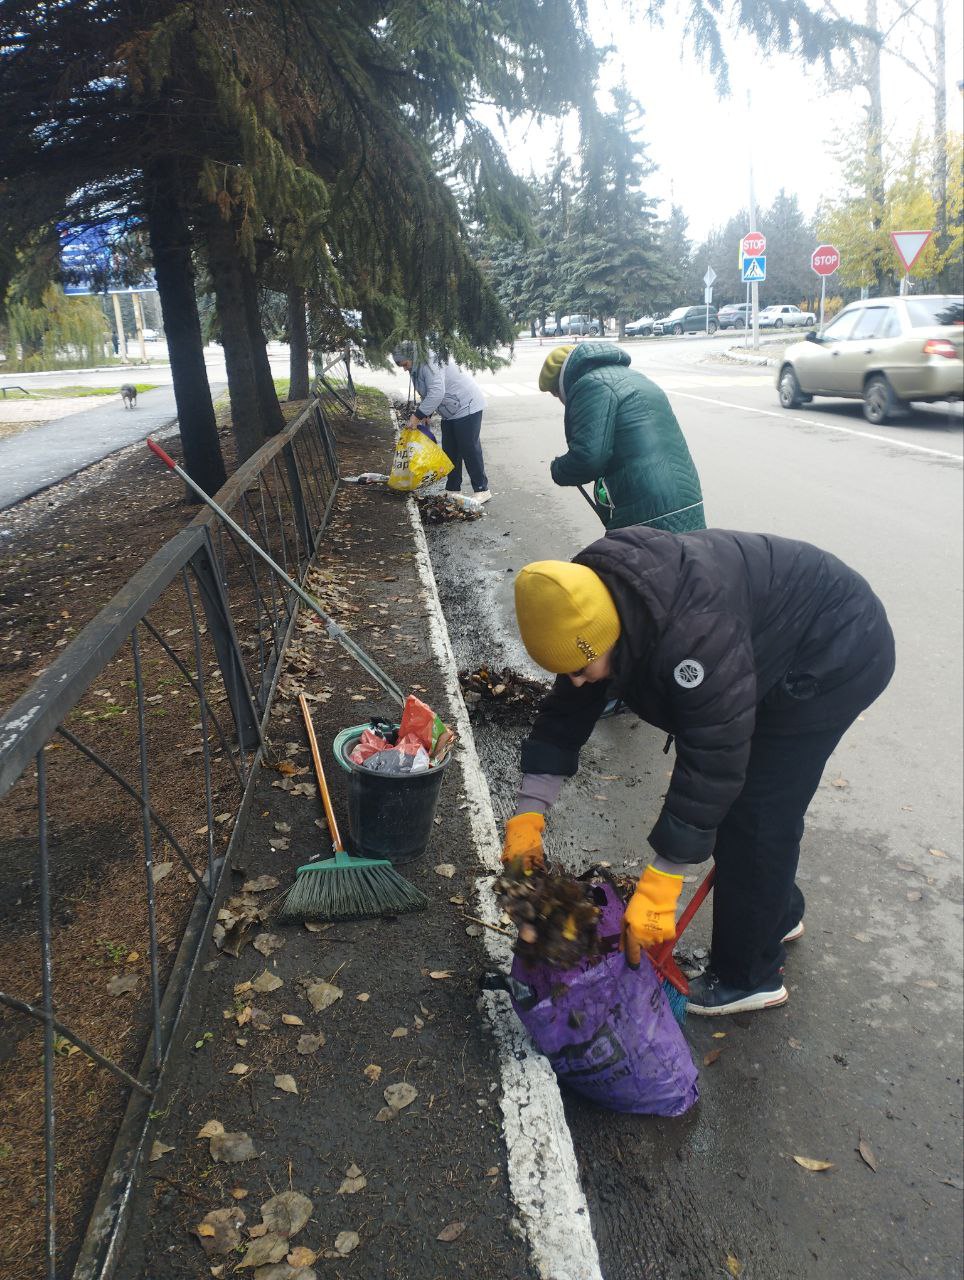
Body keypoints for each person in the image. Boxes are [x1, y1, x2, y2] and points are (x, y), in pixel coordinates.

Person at [501, 525, 895, 1016]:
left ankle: (749, 976)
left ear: (607, 635)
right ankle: (776, 912)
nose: (576, 680)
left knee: (756, 811)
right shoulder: (590, 604)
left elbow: (714, 754)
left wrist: (664, 877)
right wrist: (527, 816)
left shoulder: (693, 638)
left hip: (834, 650)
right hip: (773, 636)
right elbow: (565, 712)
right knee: (745, 811)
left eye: (581, 667)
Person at [537, 342, 704, 531]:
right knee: (687, 556)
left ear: (562, 382)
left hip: (646, 508)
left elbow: (588, 459)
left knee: (637, 559)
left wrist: (558, 468)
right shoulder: (635, 377)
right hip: (688, 498)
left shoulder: (590, 386)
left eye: (556, 393)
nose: (561, 400)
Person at [392, 343, 491, 503]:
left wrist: (417, 415)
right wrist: (427, 412)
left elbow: (437, 392)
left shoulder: (430, 362)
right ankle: (453, 489)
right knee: (450, 450)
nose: (404, 369)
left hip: (467, 404)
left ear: (411, 357)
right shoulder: (417, 366)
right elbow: (428, 390)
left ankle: (482, 489)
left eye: (405, 364)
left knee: (469, 448)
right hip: (450, 410)